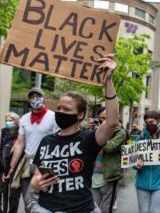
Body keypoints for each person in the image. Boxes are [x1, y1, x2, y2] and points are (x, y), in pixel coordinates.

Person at [30, 54, 119, 213]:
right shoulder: (46, 141)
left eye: (67, 109)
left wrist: (108, 82)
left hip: (80, 209)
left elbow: (112, 121)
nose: (60, 112)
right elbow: (36, 176)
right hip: (47, 208)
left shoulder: (88, 139)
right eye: (59, 108)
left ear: (80, 115)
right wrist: (36, 183)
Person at [2, 88, 59, 213]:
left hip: (45, 163)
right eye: (32, 97)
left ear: (43, 98)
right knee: (28, 200)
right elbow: (19, 143)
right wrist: (11, 167)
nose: (35, 99)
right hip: (27, 163)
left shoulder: (53, 117)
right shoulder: (24, 118)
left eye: (37, 96)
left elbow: (58, 140)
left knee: (45, 199)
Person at [134, 110, 160, 213]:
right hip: (142, 184)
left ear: (158, 121)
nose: (149, 125)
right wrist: (136, 165)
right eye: (147, 122)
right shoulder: (141, 138)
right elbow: (132, 159)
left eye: (152, 122)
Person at [91, 107, 127, 213]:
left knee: (106, 209)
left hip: (109, 176)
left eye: (107, 118)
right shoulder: (94, 131)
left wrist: (101, 133)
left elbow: (109, 148)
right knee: (93, 208)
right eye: (101, 118)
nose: (104, 121)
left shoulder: (120, 133)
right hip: (93, 175)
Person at [0, 112, 21, 213]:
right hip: (3, 164)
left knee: (13, 194)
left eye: (10, 120)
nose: (8, 122)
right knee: (2, 190)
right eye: (7, 120)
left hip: (14, 165)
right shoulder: (4, 131)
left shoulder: (20, 133)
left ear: (16, 122)